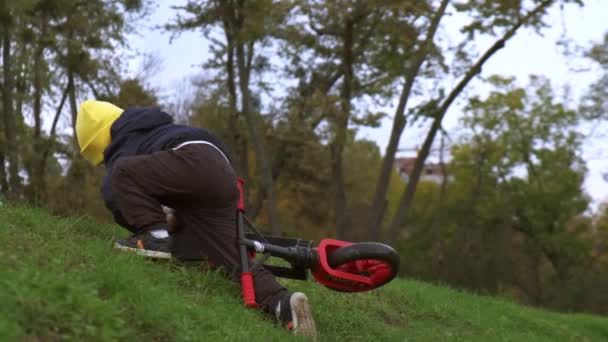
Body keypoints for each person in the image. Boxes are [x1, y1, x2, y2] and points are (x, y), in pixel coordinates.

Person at [75, 100, 317, 338]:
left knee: (121, 173)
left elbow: (114, 191)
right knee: (232, 256)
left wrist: (146, 224)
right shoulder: (155, 128)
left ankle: (154, 238)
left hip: (193, 163)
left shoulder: (124, 138)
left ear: (102, 141)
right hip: (221, 176)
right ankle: (283, 304)